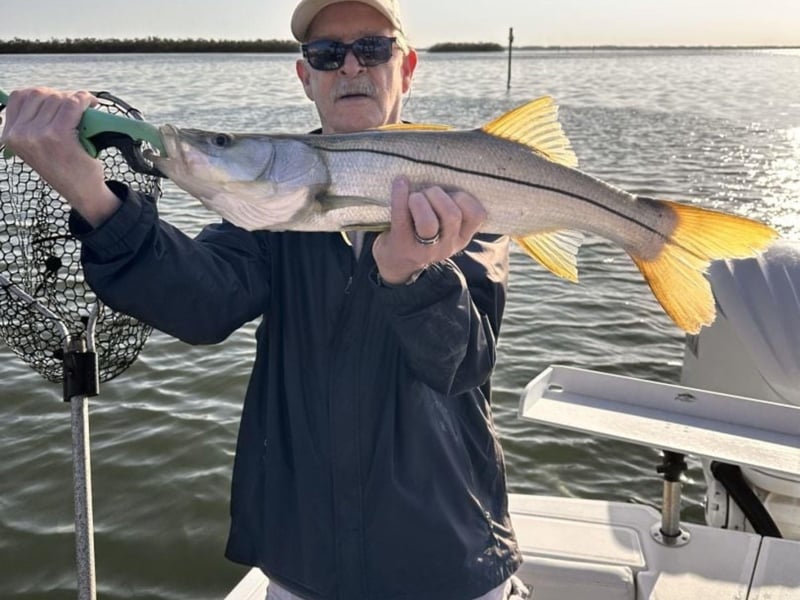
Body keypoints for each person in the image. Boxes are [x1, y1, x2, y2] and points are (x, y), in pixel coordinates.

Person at [1, 1, 525, 598]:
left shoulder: (465, 190)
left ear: (406, 70)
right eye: (327, 54)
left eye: (372, 49)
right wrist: (94, 199)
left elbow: (461, 363)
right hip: (304, 562)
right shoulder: (273, 198)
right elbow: (202, 303)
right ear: (306, 77)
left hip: (447, 554)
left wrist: (411, 275)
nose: (350, 66)